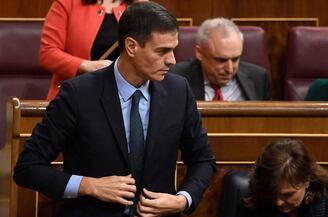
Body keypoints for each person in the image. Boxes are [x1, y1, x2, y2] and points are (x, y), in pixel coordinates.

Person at [14, 2, 216, 217]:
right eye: (162, 51)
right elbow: (28, 168)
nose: (172, 60)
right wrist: (88, 185)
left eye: (173, 50)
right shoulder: (78, 94)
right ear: (131, 47)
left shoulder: (179, 91)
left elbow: (203, 160)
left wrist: (182, 200)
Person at [40, 0, 148, 100]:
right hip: (76, 96)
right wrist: (87, 66)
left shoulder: (140, 6)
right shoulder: (67, 3)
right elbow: (48, 53)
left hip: (126, 97)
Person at [238, 138, 328, 217]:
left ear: (307, 180)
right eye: (272, 193)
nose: (278, 202)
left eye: (287, 194)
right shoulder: (253, 205)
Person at [169, 18, 272, 101]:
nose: (230, 69)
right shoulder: (175, 79)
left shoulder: (259, 78)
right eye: (221, 60)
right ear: (199, 53)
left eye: (235, 59)